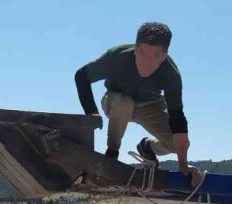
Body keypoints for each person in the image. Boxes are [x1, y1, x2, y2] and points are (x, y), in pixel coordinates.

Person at [74, 22, 203, 185]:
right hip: (116, 101)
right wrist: (91, 113)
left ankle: (147, 147)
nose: (146, 62)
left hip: (150, 106)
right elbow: (81, 76)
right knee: (124, 103)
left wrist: (183, 164)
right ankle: (111, 154)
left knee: (180, 145)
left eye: (155, 56)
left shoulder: (171, 74)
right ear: (135, 48)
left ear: (164, 55)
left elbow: (177, 118)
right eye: (142, 52)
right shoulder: (117, 57)